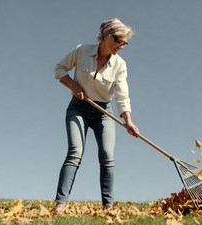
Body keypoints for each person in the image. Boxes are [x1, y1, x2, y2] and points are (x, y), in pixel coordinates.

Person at [53, 18, 140, 213]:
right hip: (78, 108)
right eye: (118, 40)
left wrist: (128, 121)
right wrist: (74, 86)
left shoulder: (120, 65)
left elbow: (122, 95)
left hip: (103, 113)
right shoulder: (82, 50)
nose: (121, 46)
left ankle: (108, 206)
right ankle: (60, 203)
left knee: (107, 157)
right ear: (106, 36)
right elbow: (59, 69)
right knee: (75, 152)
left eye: (125, 43)